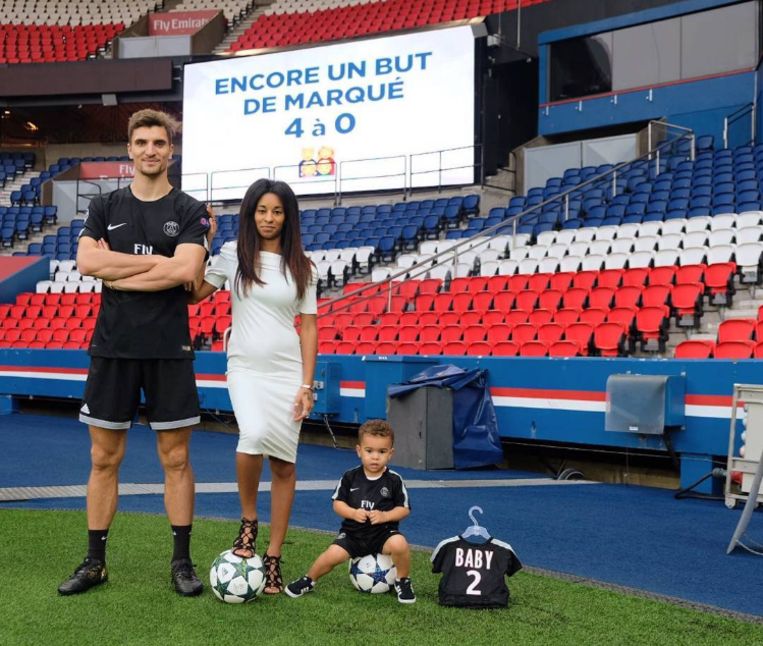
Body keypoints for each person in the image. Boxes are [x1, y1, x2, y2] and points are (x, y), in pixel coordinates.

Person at [58, 109, 212, 597]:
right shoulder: (105, 205)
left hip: (169, 349)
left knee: (177, 458)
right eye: (142, 142)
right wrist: (157, 265)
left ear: (171, 151)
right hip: (113, 348)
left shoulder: (189, 209)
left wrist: (117, 271)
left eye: (159, 143)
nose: (150, 150)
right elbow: (87, 261)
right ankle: (94, 563)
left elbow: (185, 272)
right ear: (129, 149)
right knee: (103, 458)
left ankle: (181, 563)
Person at [188, 178, 318, 594]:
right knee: (254, 435)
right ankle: (248, 520)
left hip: (288, 373)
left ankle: (274, 556)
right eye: (262, 210)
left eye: (277, 211)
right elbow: (193, 294)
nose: (269, 218)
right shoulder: (233, 255)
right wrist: (204, 241)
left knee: (284, 465)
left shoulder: (304, 267)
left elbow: (309, 328)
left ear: (287, 217)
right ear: (250, 214)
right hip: (244, 367)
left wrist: (306, 385)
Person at [285, 419, 416, 604]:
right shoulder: (350, 477)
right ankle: (309, 579)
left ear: (390, 454)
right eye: (369, 451)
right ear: (359, 451)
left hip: (383, 535)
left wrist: (385, 516)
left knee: (400, 543)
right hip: (353, 535)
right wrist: (353, 513)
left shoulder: (394, 480)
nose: (375, 457)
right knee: (331, 555)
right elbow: (337, 504)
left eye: (382, 451)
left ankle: (402, 581)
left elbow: (404, 509)